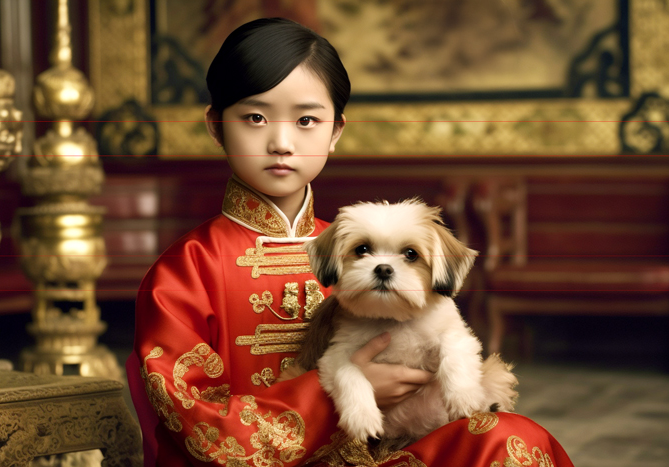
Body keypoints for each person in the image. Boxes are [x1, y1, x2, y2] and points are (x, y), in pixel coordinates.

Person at [127, 17, 574, 467]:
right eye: (255, 117)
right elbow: (194, 426)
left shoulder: (354, 244)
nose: (281, 142)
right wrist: (334, 400)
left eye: (306, 120)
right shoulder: (185, 270)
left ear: (335, 131)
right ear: (216, 126)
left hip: (383, 454)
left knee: (512, 440)